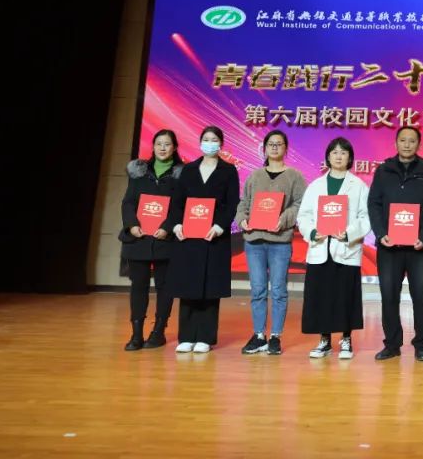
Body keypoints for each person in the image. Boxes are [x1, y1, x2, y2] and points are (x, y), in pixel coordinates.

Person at [163, 126, 240, 354]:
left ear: (221, 144)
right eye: (206, 139)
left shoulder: (228, 171)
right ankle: (186, 336)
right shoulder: (188, 170)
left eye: (214, 139)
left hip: (214, 236)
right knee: (187, 284)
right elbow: (177, 202)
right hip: (188, 236)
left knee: (210, 287)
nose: (210, 143)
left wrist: (219, 226)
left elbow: (232, 204)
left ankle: (205, 337)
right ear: (200, 143)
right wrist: (176, 225)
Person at [368, 126, 423, 361]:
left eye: (412, 141)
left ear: (419, 145)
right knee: (389, 296)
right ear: (395, 143)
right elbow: (374, 204)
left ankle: (421, 345)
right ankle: (392, 344)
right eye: (402, 140)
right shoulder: (383, 171)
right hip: (389, 247)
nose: (407, 144)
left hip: (419, 247)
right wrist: (381, 233)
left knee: (421, 296)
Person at [296, 137, 370, 360]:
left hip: (346, 248)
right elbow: (304, 215)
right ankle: (324, 340)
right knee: (321, 296)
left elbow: (365, 217)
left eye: (343, 152)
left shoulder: (358, 186)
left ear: (350, 158)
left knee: (345, 296)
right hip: (320, 248)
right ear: (328, 157)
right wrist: (311, 232)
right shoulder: (315, 185)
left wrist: (349, 233)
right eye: (334, 152)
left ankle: (346, 339)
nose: (339, 156)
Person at [235, 130, 307, 356]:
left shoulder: (295, 176)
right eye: (271, 144)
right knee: (257, 289)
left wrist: (283, 220)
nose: (274, 147)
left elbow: (300, 204)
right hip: (254, 241)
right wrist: (242, 219)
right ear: (264, 148)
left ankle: (275, 336)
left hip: (280, 242)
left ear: (286, 148)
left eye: (279, 144)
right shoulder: (254, 176)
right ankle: (259, 335)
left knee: (278, 290)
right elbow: (243, 202)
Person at [119, 129, 183, 350]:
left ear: (175, 147)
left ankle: (158, 332)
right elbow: (128, 202)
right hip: (139, 238)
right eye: (158, 144)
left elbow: (181, 206)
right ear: (153, 146)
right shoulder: (139, 173)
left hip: (166, 240)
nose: (162, 148)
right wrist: (132, 225)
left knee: (165, 287)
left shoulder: (182, 175)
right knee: (139, 286)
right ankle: (136, 334)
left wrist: (167, 227)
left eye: (167, 144)